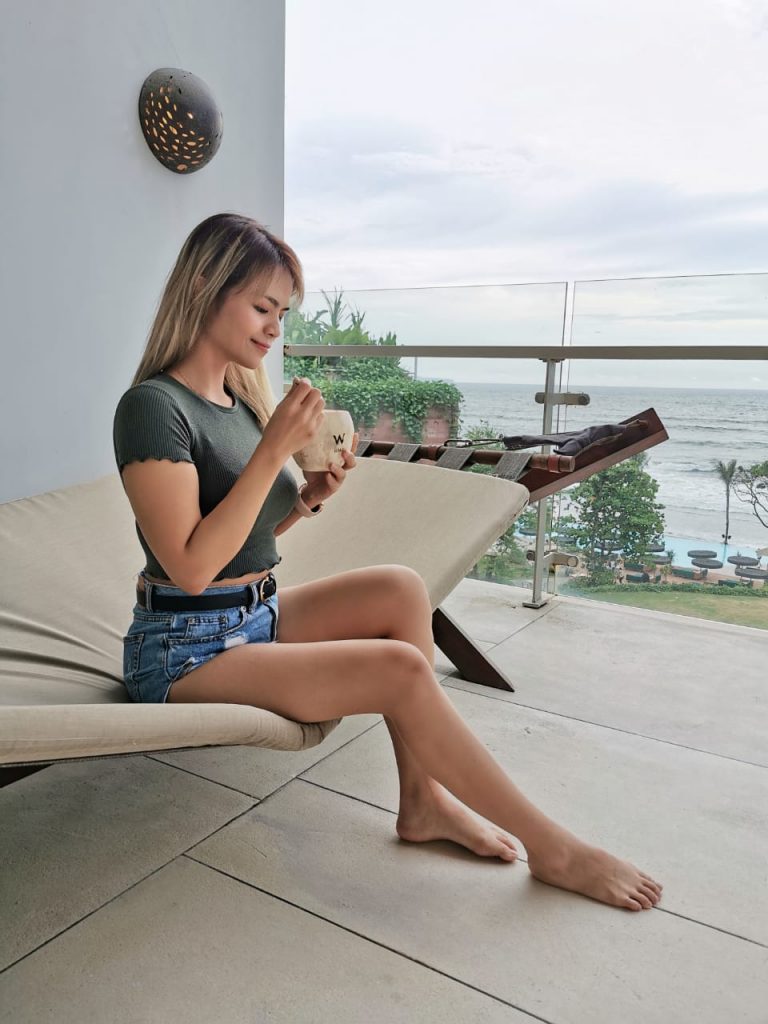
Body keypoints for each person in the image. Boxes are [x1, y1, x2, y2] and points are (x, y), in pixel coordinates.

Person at [113, 212, 663, 912]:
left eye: (282, 313)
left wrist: (306, 500)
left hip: (253, 616)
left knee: (402, 590)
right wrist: (274, 451)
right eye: (261, 307)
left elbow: (243, 536)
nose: (274, 327)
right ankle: (552, 848)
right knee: (399, 669)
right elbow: (191, 568)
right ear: (203, 288)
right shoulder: (152, 408)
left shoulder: (239, 400)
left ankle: (422, 800)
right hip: (182, 651)